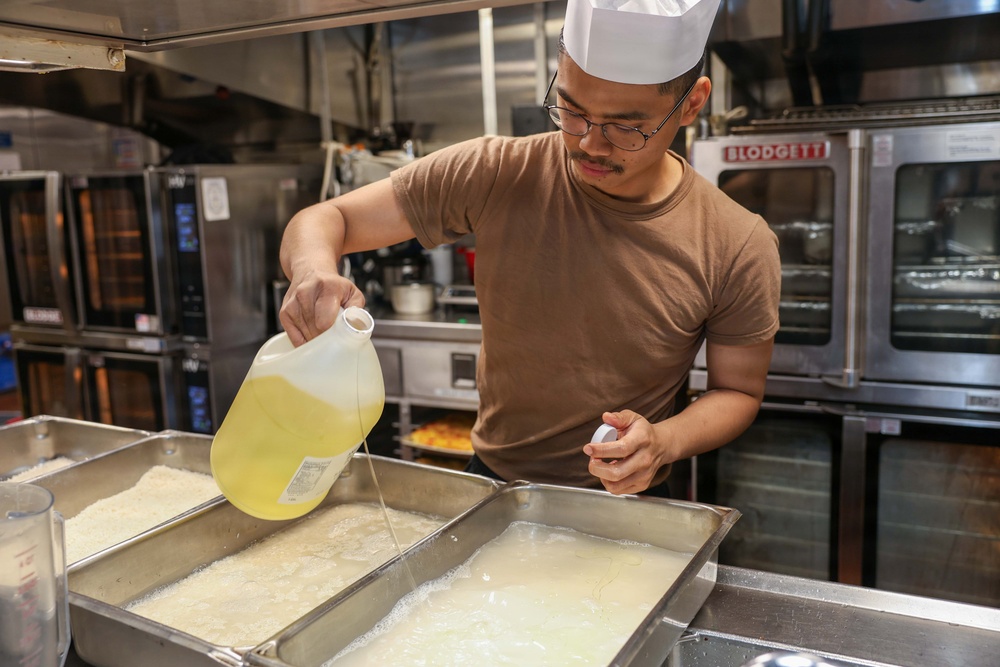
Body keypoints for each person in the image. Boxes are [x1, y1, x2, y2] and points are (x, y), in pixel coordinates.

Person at [279, 0, 780, 497]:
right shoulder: (497, 173)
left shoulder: (737, 242)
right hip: (494, 482)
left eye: (626, 127)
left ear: (692, 103)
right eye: (572, 110)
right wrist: (312, 272)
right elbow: (328, 219)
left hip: (630, 497)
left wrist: (664, 441)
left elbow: (736, 391)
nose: (589, 144)